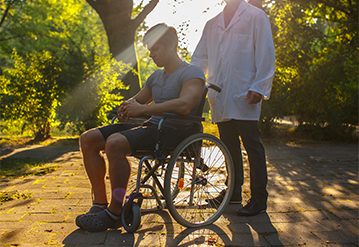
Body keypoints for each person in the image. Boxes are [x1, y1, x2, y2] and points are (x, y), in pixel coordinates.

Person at [75, 23, 205, 232]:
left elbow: (185, 104)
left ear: (172, 45)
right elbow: (139, 100)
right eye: (149, 50)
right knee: (88, 139)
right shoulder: (156, 77)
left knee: (115, 143)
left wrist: (143, 110)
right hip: (153, 127)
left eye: (156, 49)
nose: (151, 54)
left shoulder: (192, 73)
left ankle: (114, 213)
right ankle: (100, 205)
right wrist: (127, 106)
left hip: (176, 132)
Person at [191, 0, 275, 216]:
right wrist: (191, 84)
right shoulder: (212, 24)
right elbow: (199, 58)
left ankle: (258, 198)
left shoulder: (256, 17)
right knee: (228, 146)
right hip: (219, 94)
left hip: (245, 92)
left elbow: (266, 53)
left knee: (252, 144)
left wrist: (259, 86)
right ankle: (233, 193)